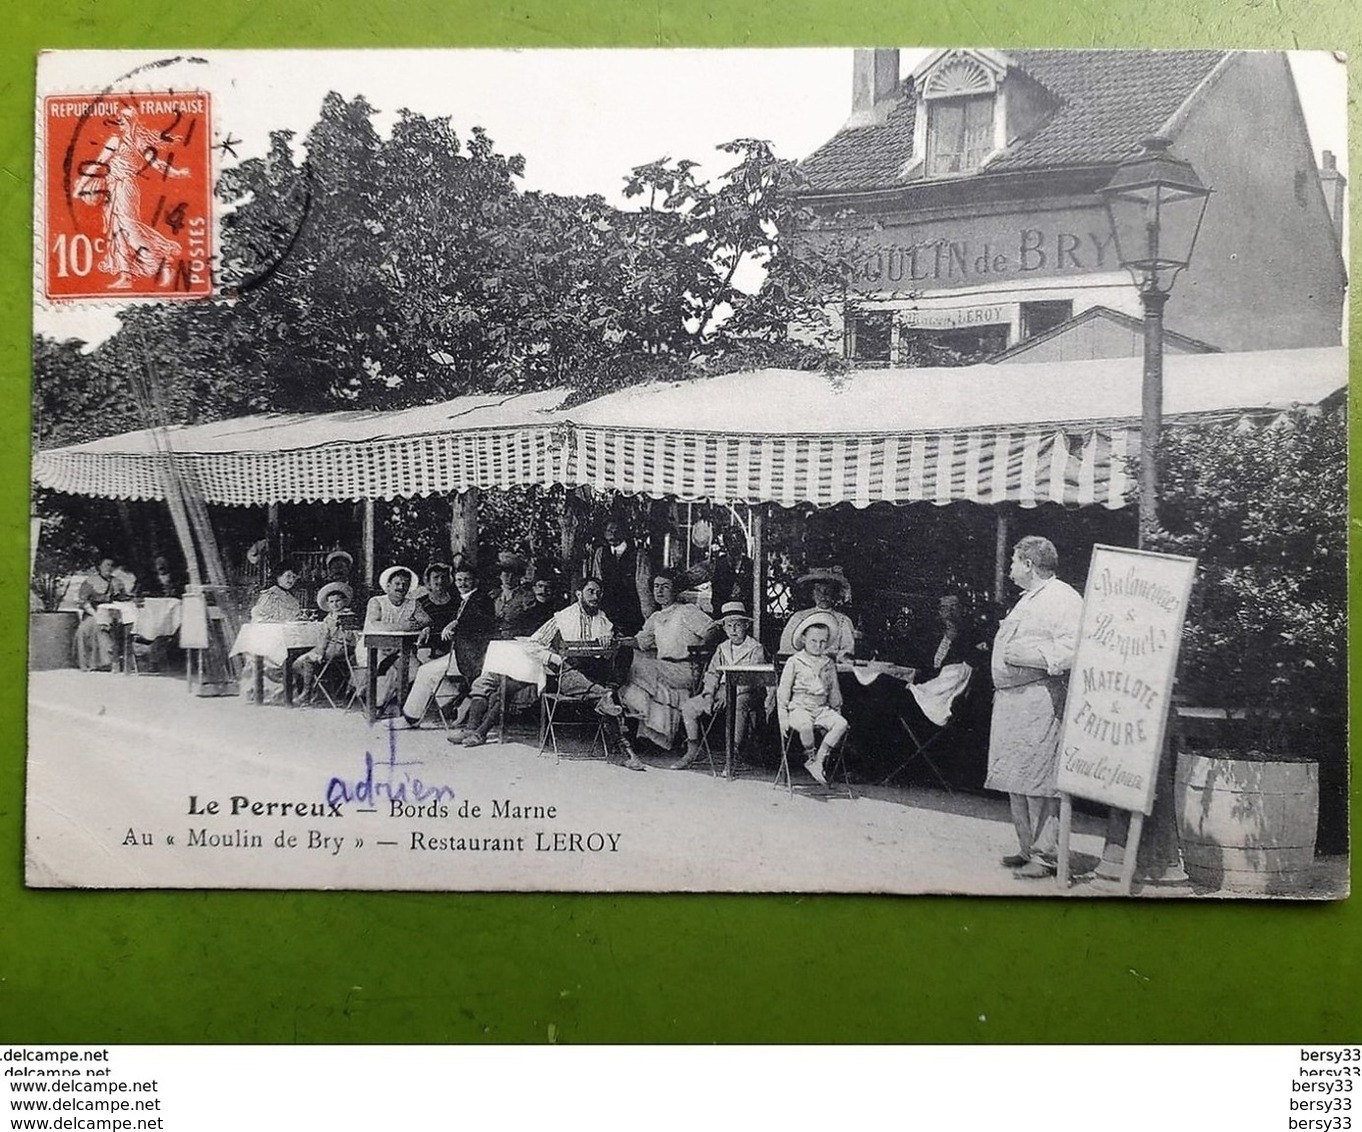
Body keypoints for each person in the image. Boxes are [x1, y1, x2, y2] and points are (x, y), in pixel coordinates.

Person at [985, 535, 1083, 880]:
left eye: (1013, 562)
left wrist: (1030, 657)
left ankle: (1046, 856)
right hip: (1015, 701)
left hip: (1039, 699)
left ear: (1029, 564)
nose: (1009, 569)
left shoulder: (1062, 598)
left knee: (1039, 781)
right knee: (1017, 777)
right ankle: (1028, 847)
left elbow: (1072, 649)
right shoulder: (1028, 599)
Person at [519, 577, 645, 771]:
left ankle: (606, 699)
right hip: (567, 672)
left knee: (606, 690)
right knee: (604, 695)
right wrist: (553, 659)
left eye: (598, 593)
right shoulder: (562, 617)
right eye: (590, 592)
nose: (595, 597)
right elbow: (531, 644)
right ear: (579, 594)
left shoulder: (604, 620)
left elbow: (615, 649)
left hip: (593, 673)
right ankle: (626, 751)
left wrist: (609, 640)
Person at [73, 106, 190, 290]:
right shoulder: (115, 140)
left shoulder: (139, 142)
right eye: (120, 119)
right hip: (112, 188)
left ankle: (162, 261)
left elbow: (157, 163)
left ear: (130, 122)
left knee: (129, 229)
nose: (121, 122)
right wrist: (80, 186)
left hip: (126, 187)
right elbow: (98, 164)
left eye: (124, 119)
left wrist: (177, 173)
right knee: (115, 231)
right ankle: (125, 275)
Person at [450, 572, 564, 747]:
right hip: (515, 661)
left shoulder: (559, 615)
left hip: (537, 669)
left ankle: (481, 732)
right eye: (540, 587)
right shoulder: (525, 612)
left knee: (504, 688)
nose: (544, 591)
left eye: (548, 588)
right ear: (533, 589)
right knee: (482, 682)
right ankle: (471, 728)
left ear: (554, 591)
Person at [619, 571, 722, 751]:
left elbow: (712, 629)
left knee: (639, 666)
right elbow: (641, 640)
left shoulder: (687, 611)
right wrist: (617, 641)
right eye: (656, 586)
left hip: (685, 669)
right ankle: (653, 735)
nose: (660, 591)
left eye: (665, 587)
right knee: (632, 681)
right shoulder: (656, 617)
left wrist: (698, 652)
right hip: (663, 670)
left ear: (675, 590)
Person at [396, 565, 496, 727]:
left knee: (426, 671)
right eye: (459, 580)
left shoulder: (479, 599)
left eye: (467, 580)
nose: (462, 583)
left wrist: (455, 623)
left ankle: (411, 717)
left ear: (475, 581)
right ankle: (456, 701)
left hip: (473, 656)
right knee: (427, 669)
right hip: (462, 652)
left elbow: (477, 618)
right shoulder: (467, 599)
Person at [675, 602, 771, 770]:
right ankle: (693, 749)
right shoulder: (722, 648)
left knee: (739, 704)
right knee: (689, 707)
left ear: (746, 625)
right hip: (721, 692)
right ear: (724, 628)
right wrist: (708, 694)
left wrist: (730, 692)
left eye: (738, 625)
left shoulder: (755, 648)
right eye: (729, 625)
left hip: (748, 692)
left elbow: (754, 678)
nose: (733, 629)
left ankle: (734, 753)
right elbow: (713, 673)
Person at [777, 614, 849, 786]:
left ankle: (819, 760)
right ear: (804, 639)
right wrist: (783, 716)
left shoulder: (828, 663)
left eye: (823, 642)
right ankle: (810, 757)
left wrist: (836, 710)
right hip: (800, 707)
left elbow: (834, 690)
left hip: (822, 708)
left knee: (841, 724)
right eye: (813, 641)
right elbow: (784, 691)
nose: (818, 646)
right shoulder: (795, 661)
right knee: (805, 725)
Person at [362, 565, 432, 714]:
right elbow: (375, 624)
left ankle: (387, 703)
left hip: (400, 649)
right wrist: (404, 626)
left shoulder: (412, 603)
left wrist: (424, 627)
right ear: (388, 586)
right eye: (397, 583)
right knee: (388, 670)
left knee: (415, 671)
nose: (401, 587)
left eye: (405, 584)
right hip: (372, 647)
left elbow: (426, 620)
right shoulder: (376, 602)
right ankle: (378, 704)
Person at [239, 561, 304, 703]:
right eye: (287, 576)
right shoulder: (270, 595)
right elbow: (261, 618)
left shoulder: (290, 598)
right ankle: (274, 696)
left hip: (284, 637)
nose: (291, 580)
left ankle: (293, 693)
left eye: (294, 577)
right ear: (278, 577)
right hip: (266, 638)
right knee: (277, 657)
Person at [585, 519, 649, 635]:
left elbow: (643, 586)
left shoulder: (638, 554)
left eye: (617, 531)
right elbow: (597, 582)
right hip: (607, 609)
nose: (612, 535)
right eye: (609, 531)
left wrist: (648, 614)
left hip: (632, 609)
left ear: (624, 532)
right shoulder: (600, 553)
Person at [778, 567, 856, 659]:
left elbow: (847, 651)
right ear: (812, 593)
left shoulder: (843, 621)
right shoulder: (799, 617)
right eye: (818, 591)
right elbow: (786, 648)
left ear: (834, 594)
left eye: (827, 591)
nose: (823, 596)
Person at [297, 581, 355, 702]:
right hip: (331, 647)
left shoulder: (347, 616)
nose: (335, 604)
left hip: (340, 648)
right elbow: (323, 638)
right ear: (328, 604)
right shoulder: (329, 617)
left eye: (338, 601)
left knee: (308, 660)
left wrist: (320, 652)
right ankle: (314, 691)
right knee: (298, 662)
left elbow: (327, 638)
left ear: (344, 601)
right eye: (331, 602)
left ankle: (307, 693)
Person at [74, 556, 130, 671]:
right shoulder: (90, 581)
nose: (109, 568)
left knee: (120, 626)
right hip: (93, 612)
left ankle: (113, 661)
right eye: (106, 565)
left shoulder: (117, 582)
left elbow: (123, 598)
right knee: (86, 629)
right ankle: (90, 663)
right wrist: (96, 615)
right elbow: (83, 601)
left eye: (111, 565)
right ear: (99, 567)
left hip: (113, 613)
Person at [416, 563, 459, 660]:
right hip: (425, 650)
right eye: (435, 577)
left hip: (452, 650)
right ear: (428, 581)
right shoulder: (420, 603)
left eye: (444, 577)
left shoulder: (457, 602)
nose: (440, 581)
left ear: (449, 580)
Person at [493, 551, 536, 632]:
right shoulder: (494, 595)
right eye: (506, 575)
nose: (509, 579)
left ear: (519, 577)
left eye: (514, 576)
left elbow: (529, 623)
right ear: (499, 576)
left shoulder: (526, 597)